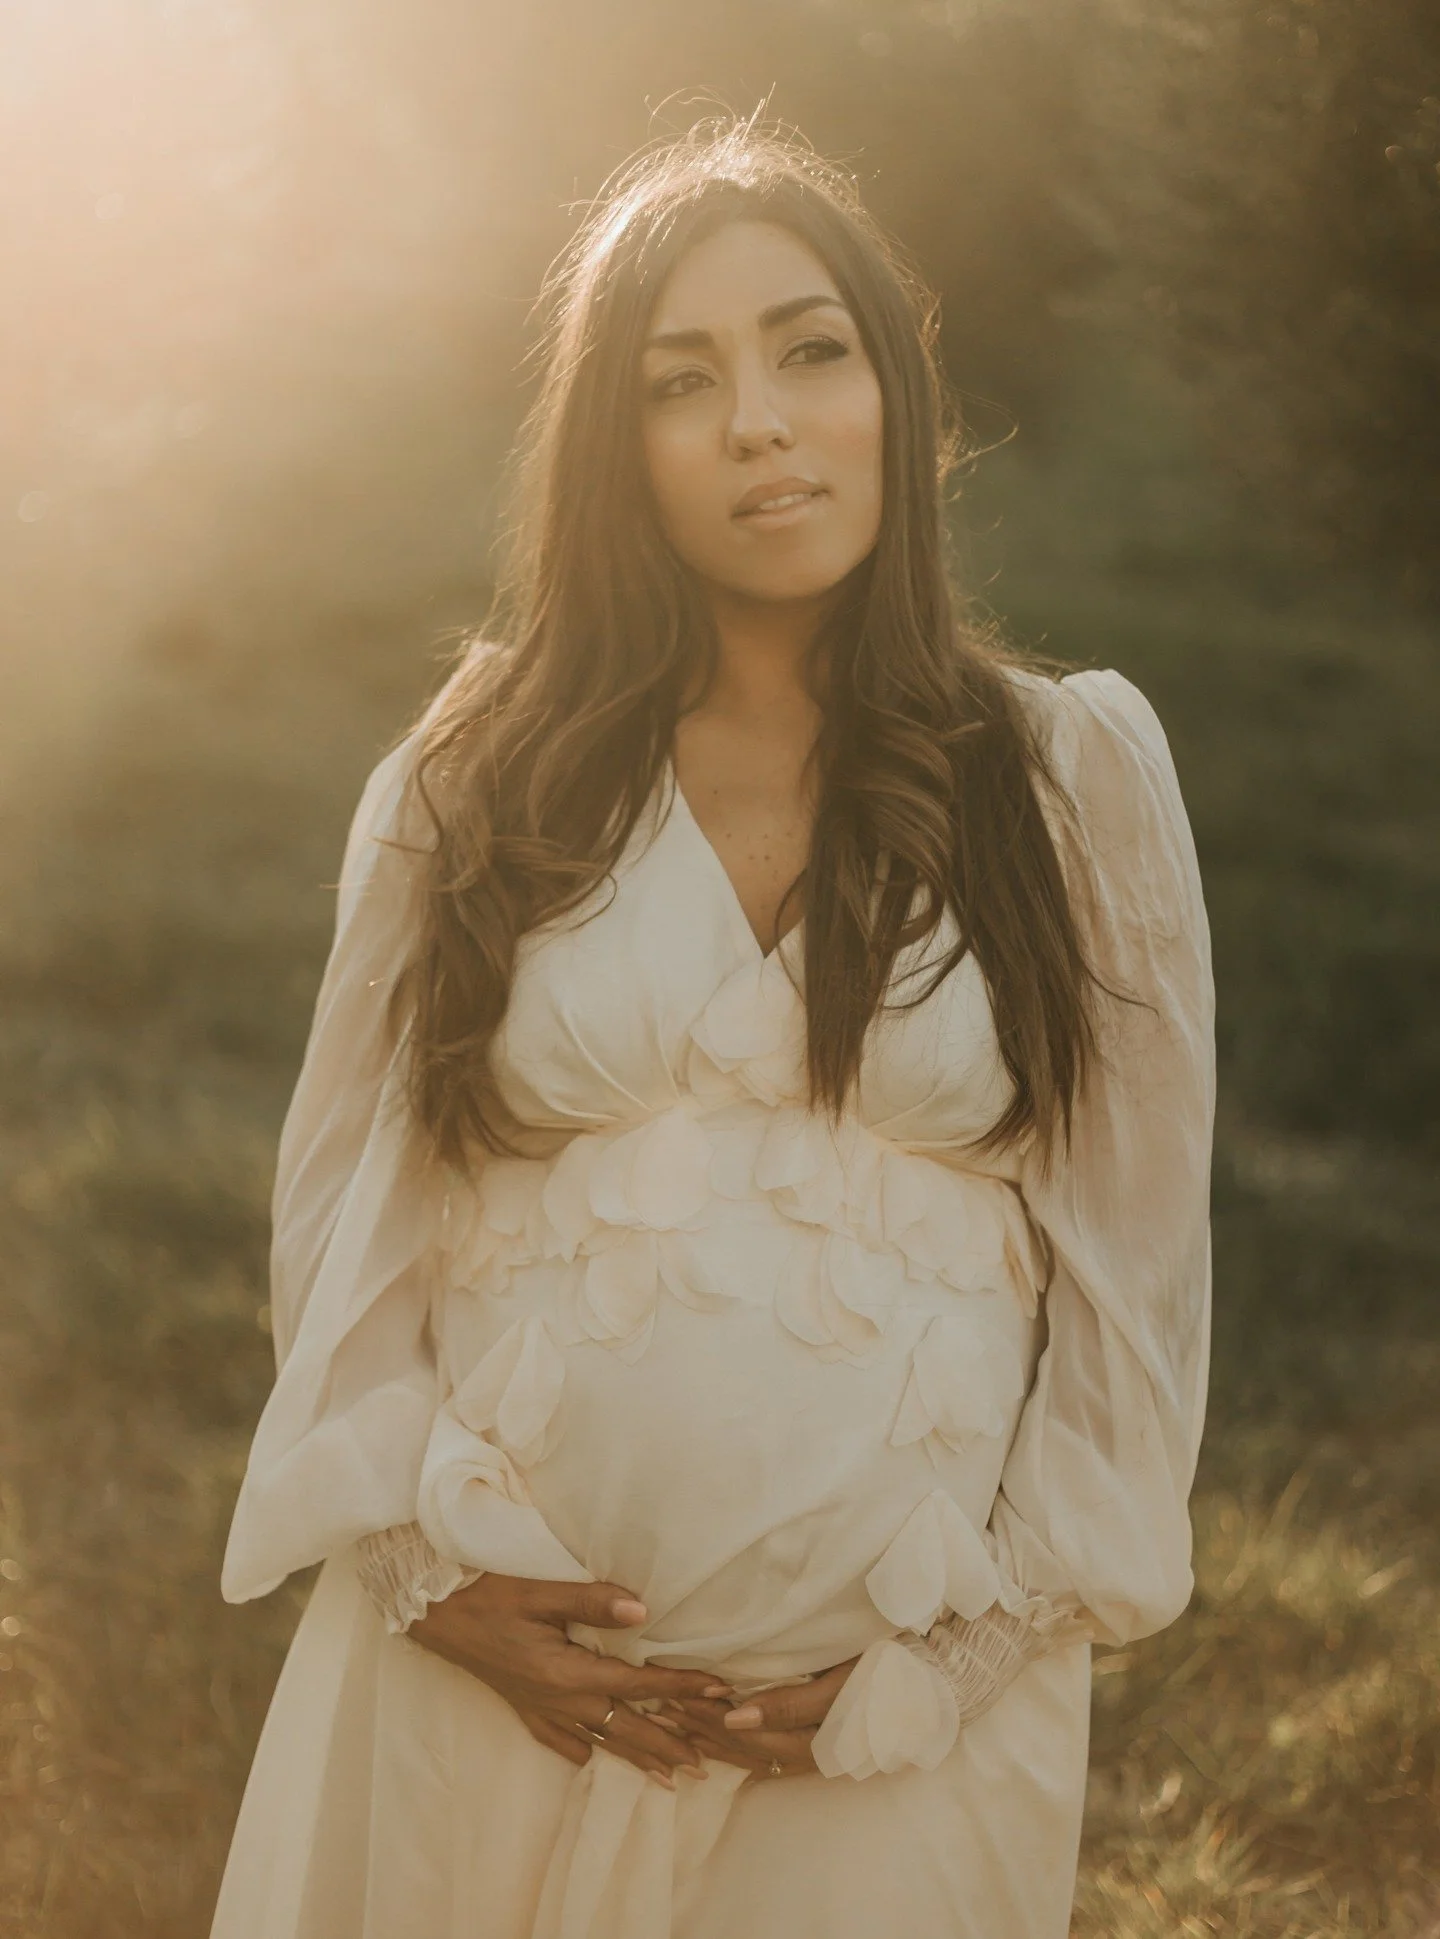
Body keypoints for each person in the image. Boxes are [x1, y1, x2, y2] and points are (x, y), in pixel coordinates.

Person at [209, 119, 1214, 1939]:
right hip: (491, 1693)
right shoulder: (479, 771)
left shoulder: (1068, 780)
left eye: (810, 349)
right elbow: (344, 1212)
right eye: (686, 382)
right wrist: (422, 1573)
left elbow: (1134, 1282)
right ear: (621, 452)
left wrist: (971, 1646)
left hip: (883, 1748)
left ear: (894, 393)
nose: (761, 419)